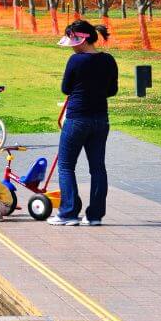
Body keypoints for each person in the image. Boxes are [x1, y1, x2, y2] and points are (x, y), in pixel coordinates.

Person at [49, 20, 118, 227]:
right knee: (97, 168)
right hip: (100, 120)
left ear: (82, 40)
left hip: (77, 118)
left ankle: (68, 212)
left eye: (73, 41)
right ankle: (95, 215)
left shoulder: (76, 61)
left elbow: (66, 88)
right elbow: (112, 90)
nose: (71, 46)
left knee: (66, 165)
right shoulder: (108, 60)